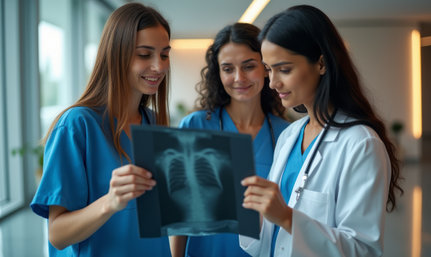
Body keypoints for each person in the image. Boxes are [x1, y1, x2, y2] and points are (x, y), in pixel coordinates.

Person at [240, 5, 403, 257]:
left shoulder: (361, 144)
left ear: (322, 63)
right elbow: (271, 238)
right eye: (269, 70)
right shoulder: (290, 135)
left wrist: (287, 217)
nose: (272, 83)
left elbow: (363, 250)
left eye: (284, 69)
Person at [30, 3, 172, 256]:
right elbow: (58, 235)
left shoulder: (154, 122)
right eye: (144, 54)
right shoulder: (78, 125)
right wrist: (111, 202)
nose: (159, 66)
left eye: (164, 54)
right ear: (116, 55)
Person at [171, 23, 290, 257]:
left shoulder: (287, 134)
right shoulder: (195, 126)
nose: (239, 78)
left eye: (249, 66)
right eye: (228, 68)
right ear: (218, 73)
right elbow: (178, 212)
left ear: (266, 68)